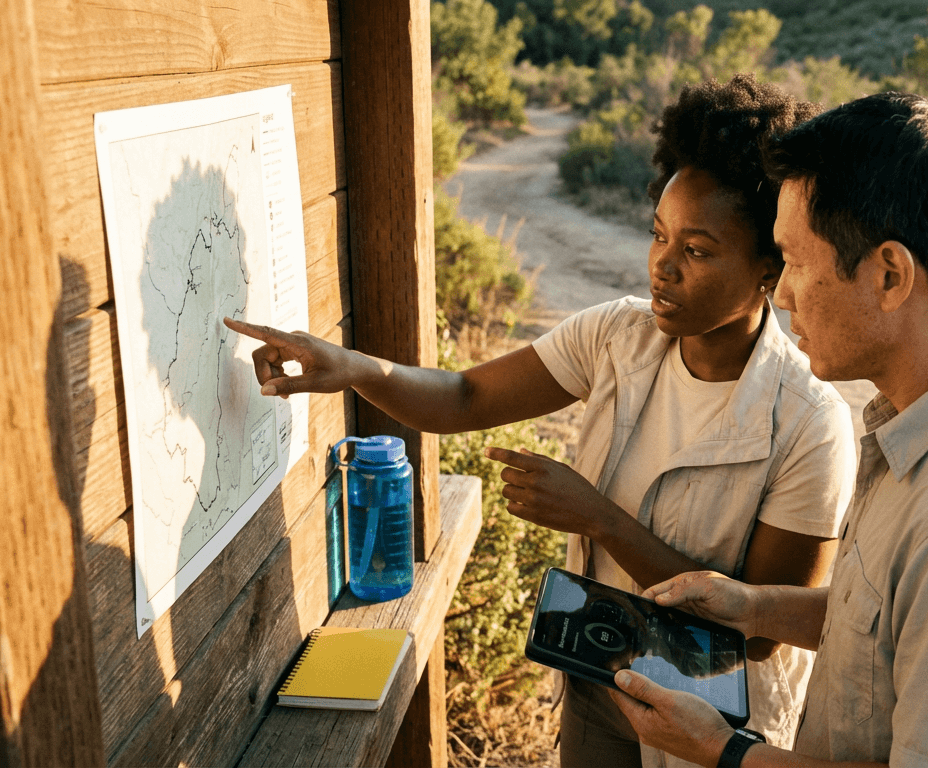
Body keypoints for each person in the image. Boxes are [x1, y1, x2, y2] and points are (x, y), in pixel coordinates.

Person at [223, 73, 856, 768]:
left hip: (713, 724)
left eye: (697, 251)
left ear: (771, 266)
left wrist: (601, 520)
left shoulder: (809, 423)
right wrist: (352, 367)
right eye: (658, 235)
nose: (662, 267)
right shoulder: (617, 336)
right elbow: (465, 397)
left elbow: (760, 634)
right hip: (600, 679)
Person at [608, 93, 928, 768]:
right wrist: (755, 608)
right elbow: (902, 625)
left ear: (889, 275)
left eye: (795, 261)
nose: (781, 293)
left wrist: (721, 751)